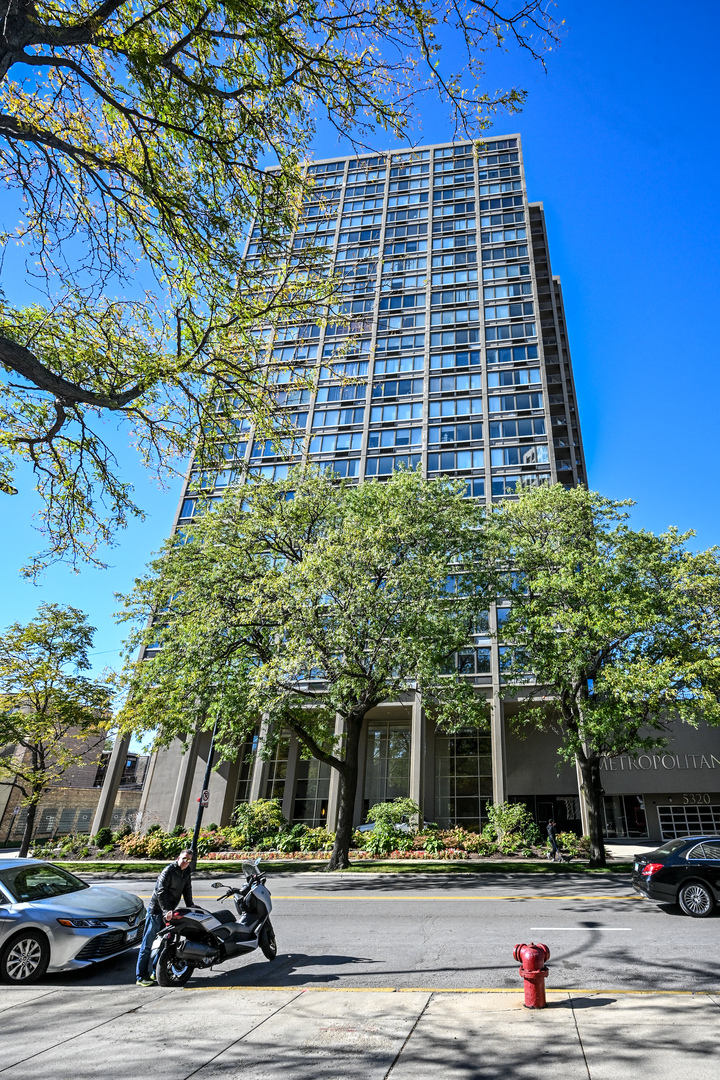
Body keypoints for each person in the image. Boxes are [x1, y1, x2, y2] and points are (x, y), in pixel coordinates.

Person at [136, 848, 194, 986]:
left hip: (169, 913)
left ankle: (155, 971)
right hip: (157, 911)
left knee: (167, 942)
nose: (186, 862)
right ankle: (140, 976)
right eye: (184, 859)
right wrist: (166, 910)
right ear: (178, 857)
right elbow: (160, 891)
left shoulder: (186, 872)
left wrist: (191, 905)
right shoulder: (168, 871)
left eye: (189, 860)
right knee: (148, 944)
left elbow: (187, 889)